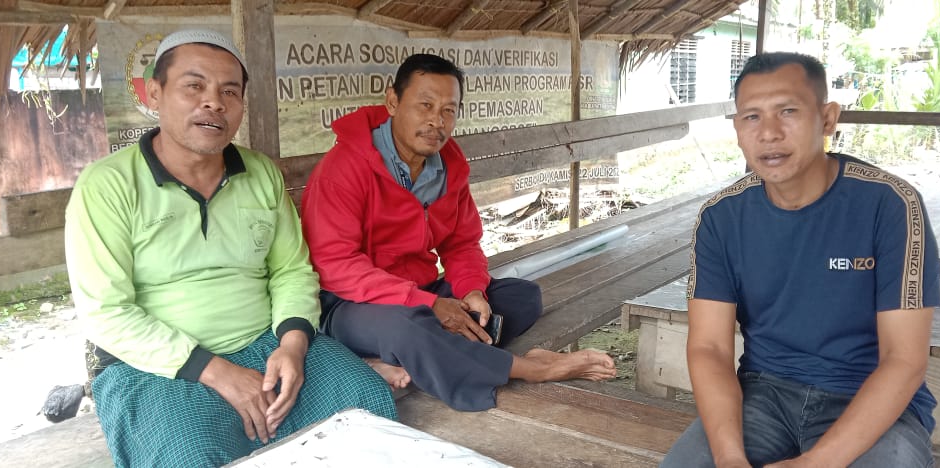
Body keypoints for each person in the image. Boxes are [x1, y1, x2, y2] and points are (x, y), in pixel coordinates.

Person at [64, 29, 396, 467]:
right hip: (158, 366)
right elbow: (106, 311)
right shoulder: (107, 185)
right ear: (155, 93)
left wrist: (293, 345)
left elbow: (291, 271)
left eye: (229, 92)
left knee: (367, 404)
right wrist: (218, 372)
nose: (214, 103)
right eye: (194, 86)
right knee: (188, 457)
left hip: (266, 342)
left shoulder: (261, 173)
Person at [661, 52, 940, 468]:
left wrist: (816, 462)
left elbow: (904, 359)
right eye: (752, 117)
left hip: (866, 395)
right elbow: (710, 348)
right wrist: (730, 458)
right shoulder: (722, 217)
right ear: (737, 129)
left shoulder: (890, 205)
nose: (769, 133)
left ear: (827, 119)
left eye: (787, 111)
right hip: (763, 394)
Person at [300, 53, 617, 412]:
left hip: (419, 293)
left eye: (448, 110)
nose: (436, 121)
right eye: (425, 105)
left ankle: (403, 356)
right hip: (350, 305)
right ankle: (530, 368)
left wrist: (472, 291)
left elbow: (461, 244)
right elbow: (336, 265)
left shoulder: (447, 167)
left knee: (521, 296)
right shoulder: (344, 168)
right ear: (392, 102)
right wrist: (428, 304)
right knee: (407, 328)